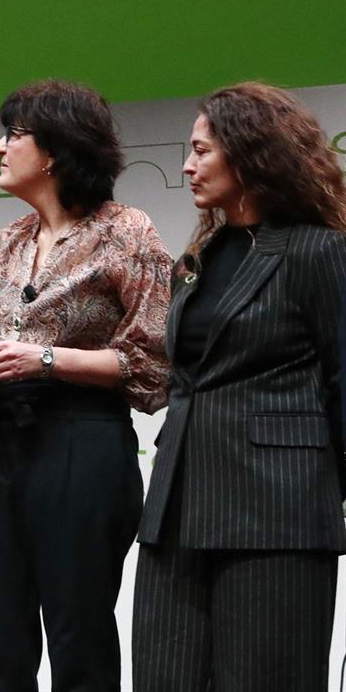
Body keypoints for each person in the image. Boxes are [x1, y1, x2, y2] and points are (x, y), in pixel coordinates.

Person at [0, 80, 170, 691]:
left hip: (83, 441)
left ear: (53, 151)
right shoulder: (6, 242)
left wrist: (48, 360)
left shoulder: (127, 231)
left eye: (13, 135)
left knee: (79, 636)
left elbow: (154, 364)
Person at [132, 82, 346, 692]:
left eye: (201, 151)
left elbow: (344, 380)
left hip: (279, 513)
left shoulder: (319, 252)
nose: (186, 165)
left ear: (249, 154)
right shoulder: (198, 258)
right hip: (177, 509)